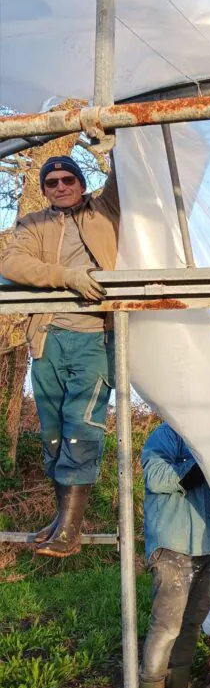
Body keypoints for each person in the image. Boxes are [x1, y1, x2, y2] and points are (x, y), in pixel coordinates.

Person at [0, 153, 120, 557]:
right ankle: (60, 520)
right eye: (52, 182)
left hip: (93, 338)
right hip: (48, 337)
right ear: (45, 189)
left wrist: (113, 139)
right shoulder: (34, 223)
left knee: (81, 427)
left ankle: (71, 530)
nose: (62, 187)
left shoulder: (105, 210)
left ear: (82, 184)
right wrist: (67, 277)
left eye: (69, 179)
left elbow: (128, 171)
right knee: (51, 434)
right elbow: (13, 262)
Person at [139, 422, 210, 688]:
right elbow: (156, 476)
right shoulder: (169, 434)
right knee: (166, 627)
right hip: (175, 544)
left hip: (208, 544)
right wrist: (202, 458)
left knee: (191, 624)